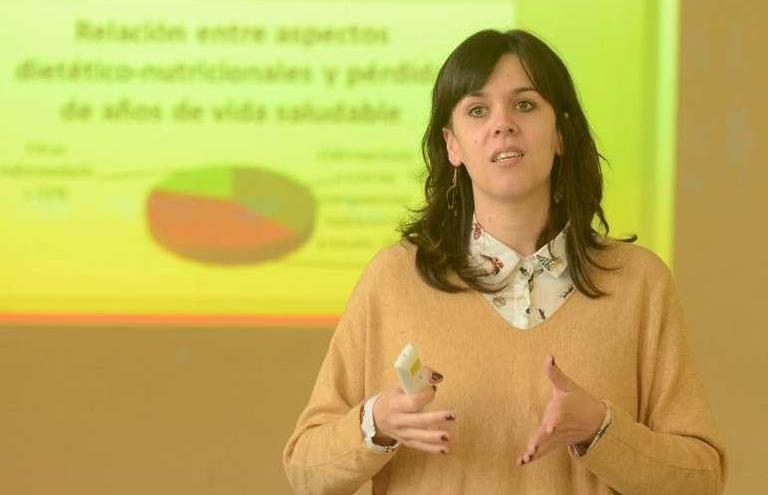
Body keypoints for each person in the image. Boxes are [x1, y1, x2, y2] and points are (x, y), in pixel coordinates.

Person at [281, 29, 726, 494]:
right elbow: (306, 470)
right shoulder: (393, 278)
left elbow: (702, 478)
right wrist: (377, 423)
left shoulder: (640, 282)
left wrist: (601, 429)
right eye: (478, 110)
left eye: (526, 105)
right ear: (452, 145)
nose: (503, 124)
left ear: (560, 134)